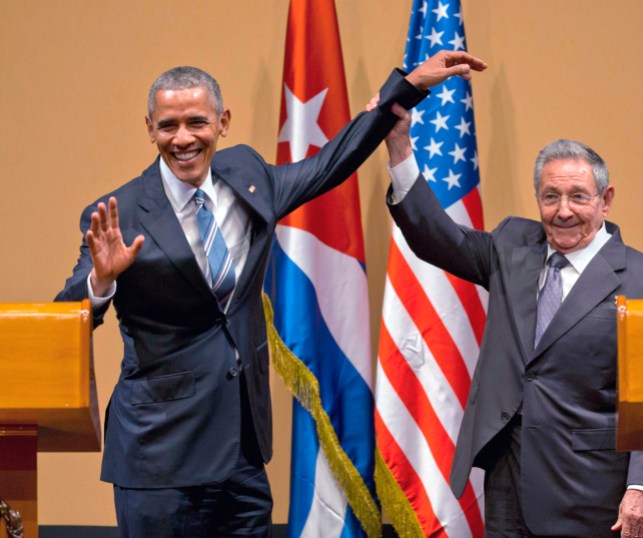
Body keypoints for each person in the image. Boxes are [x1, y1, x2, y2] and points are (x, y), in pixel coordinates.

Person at [55, 51, 487, 537]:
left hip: (241, 452)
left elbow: (331, 163)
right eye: (168, 125)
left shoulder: (248, 177)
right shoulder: (119, 213)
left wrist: (407, 87)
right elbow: (63, 320)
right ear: (149, 128)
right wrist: (101, 282)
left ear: (223, 123)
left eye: (196, 122)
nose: (182, 139)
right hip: (160, 458)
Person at [380, 103, 643, 537]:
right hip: (508, 479)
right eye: (550, 196)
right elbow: (437, 238)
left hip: (590, 490)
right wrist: (399, 145)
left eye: (578, 196)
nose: (563, 211)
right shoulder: (512, 245)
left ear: (606, 200)